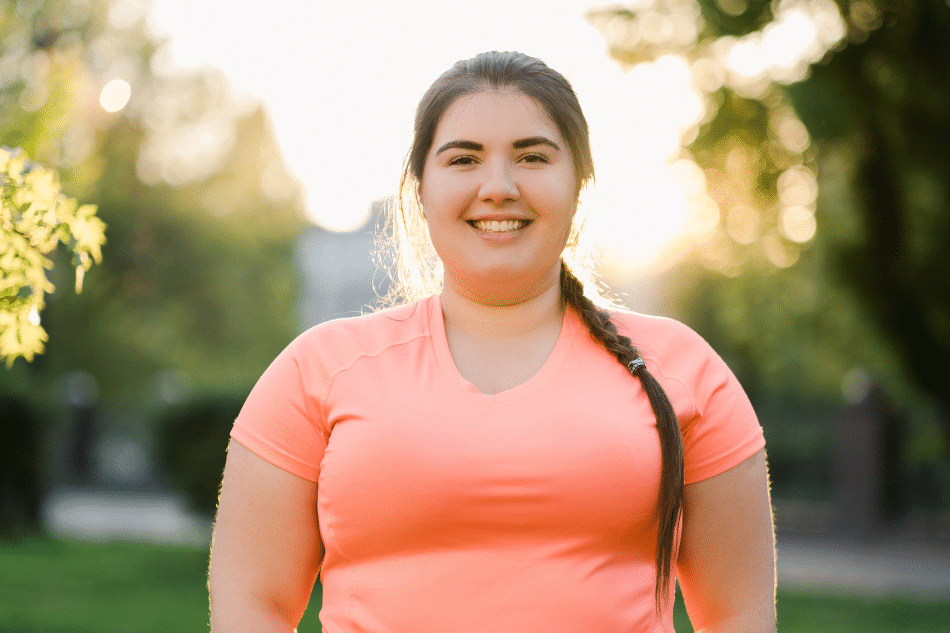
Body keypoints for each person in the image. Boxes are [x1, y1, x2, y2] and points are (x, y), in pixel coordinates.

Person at [209, 51, 776, 633]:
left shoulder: (683, 372)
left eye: (532, 157)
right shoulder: (317, 371)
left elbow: (739, 615)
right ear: (421, 189)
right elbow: (252, 605)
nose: (499, 187)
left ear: (578, 185)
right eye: (464, 159)